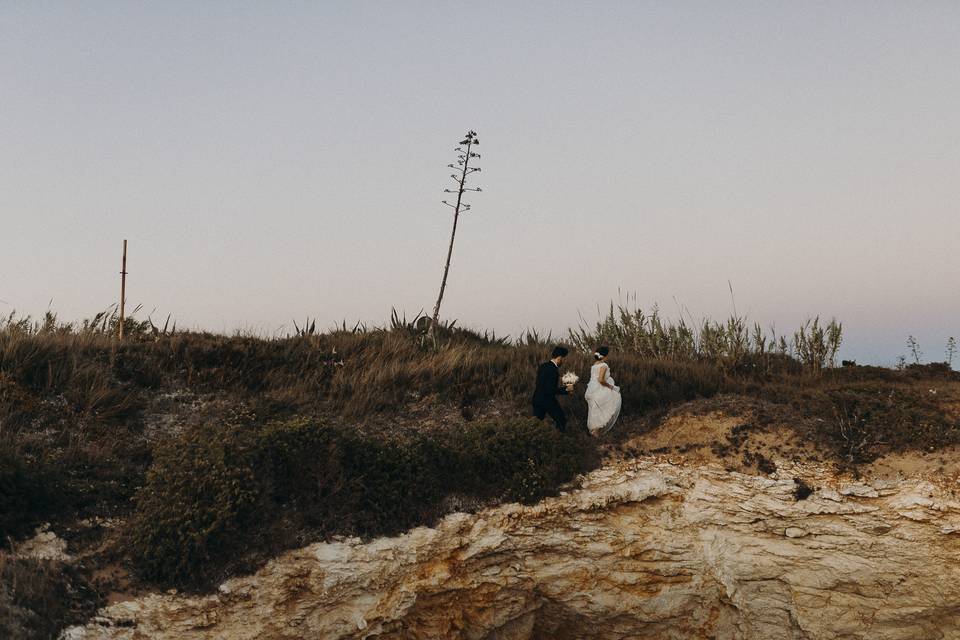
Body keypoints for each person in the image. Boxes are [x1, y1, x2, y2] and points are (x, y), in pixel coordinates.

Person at [532, 346, 574, 431]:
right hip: (547, 400)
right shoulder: (553, 370)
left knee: (535, 425)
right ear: (559, 358)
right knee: (561, 420)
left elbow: (540, 384)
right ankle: (560, 441)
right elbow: (550, 389)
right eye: (564, 359)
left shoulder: (543, 366)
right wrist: (566, 389)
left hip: (537, 398)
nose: (564, 361)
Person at [584, 346, 621, 436]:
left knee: (595, 412)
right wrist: (611, 387)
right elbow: (600, 380)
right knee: (608, 406)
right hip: (600, 390)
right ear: (605, 356)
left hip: (591, 390)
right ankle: (596, 433)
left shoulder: (594, 365)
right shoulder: (604, 365)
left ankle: (594, 433)